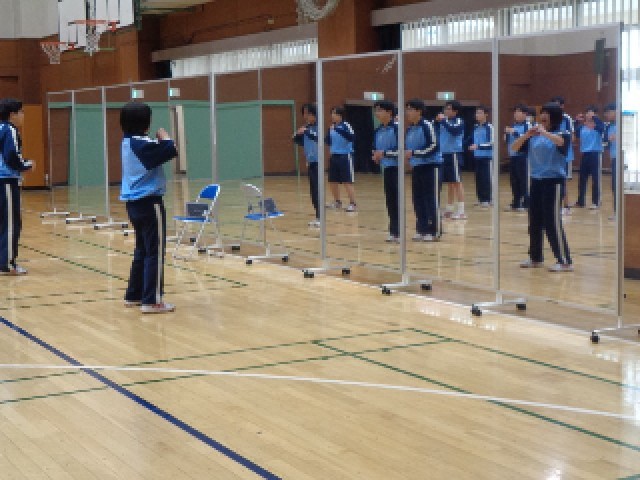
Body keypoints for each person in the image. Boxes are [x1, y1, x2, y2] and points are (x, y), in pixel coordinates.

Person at [120, 102, 178, 313]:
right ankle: (152, 300)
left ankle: (134, 294)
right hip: (149, 203)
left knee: (142, 250)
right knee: (155, 251)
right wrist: (165, 137)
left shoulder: (127, 141)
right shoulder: (141, 144)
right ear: (146, 122)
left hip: (133, 204)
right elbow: (171, 150)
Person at [512, 102, 573, 272]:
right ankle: (535, 257)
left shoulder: (563, 133)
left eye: (547, 113)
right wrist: (527, 135)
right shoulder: (534, 135)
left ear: (554, 116)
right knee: (535, 221)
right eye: (542, 113)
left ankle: (564, 260)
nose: (543, 116)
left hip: (554, 182)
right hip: (536, 181)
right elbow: (514, 147)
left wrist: (544, 133)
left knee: (552, 221)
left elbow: (561, 143)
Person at [0, 98, 33, 275]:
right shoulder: (10, 130)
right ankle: (7, 264)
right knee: (11, 222)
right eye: (21, 112)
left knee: (3, 222)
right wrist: (25, 165)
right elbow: (11, 155)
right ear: (12, 114)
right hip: (6, 181)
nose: (23, 115)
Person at [405, 99, 440, 242]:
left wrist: (415, 153)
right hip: (417, 167)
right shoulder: (410, 129)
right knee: (417, 199)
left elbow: (434, 146)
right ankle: (422, 228)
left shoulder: (427, 125)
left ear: (419, 111)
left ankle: (434, 231)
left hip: (431, 166)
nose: (408, 112)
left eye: (410, 109)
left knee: (430, 198)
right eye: (407, 109)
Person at [372, 101, 400, 242]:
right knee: (390, 201)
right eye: (376, 110)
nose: (377, 113)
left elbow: (401, 150)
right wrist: (375, 155)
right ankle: (393, 231)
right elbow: (375, 147)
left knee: (397, 200)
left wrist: (384, 153)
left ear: (389, 112)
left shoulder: (396, 128)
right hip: (386, 168)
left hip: (397, 169)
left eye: (380, 110)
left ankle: (398, 231)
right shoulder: (378, 130)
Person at [436, 100, 466, 219]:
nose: (446, 111)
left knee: (457, 182)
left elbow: (455, 131)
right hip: (443, 154)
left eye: (449, 109)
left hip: (454, 154)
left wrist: (443, 121)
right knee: (450, 182)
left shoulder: (458, 121)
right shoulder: (442, 122)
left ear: (455, 111)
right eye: (445, 108)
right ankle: (449, 208)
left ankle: (461, 210)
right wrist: (438, 121)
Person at [324, 106, 356, 212]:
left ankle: (353, 203)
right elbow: (328, 141)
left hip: (345, 156)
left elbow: (351, 137)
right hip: (334, 156)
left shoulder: (346, 125)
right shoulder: (331, 127)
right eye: (332, 113)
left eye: (335, 113)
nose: (332, 116)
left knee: (347, 181)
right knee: (332, 180)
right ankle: (337, 202)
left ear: (340, 115)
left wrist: (337, 129)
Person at [293, 103, 320, 227]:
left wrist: (306, 131)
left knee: (317, 191)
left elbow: (318, 138)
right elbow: (298, 140)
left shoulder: (318, 127)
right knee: (313, 192)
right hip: (310, 163)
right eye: (304, 114)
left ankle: (320, 217)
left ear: (314, 114)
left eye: (308, 113)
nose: (305, 116)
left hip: (318, 162)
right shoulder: (307, 127)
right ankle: (318, 216)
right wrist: (297, 134)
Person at [574, 105, 605, 209]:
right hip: (585, 154)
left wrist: (594, 118)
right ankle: (581, 201)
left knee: (596, 179)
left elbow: (601, 128)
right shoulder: (582, 127)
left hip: (595, 154)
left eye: (591, 112)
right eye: (587, 112)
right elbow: (576, 132)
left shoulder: (598, 126)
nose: (589, 114)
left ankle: (596, 202)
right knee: (582, 179)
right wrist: (577, 121)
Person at [504, 104, 531, 212]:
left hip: (523, 156)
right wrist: (506, 135)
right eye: (515, 112)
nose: (516, 114)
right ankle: (516, 202)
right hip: (513, 156)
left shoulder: (528, 125)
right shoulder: (513, 125)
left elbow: (527, 138)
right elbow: (509, 140)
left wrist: (514, 132)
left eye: (518, 111)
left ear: (525, 114)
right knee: (514, 180)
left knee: (523, 180)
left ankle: (526, 203)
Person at [551, 96, 575, 215]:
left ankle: (566, 206)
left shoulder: (567, 118)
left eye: (557, 105)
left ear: (562, 106)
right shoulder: (550, 119)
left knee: (563, 180)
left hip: (565, 155)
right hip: (553, 155)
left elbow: (572, 136)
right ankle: (556, 204)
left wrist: (560, 141)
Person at [468, 105, 493, 208]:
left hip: (487, 157)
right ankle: (481, 199)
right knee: (479, 179)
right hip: (477, 157)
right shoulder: (475, 127)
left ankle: (488, 199)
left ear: (486, 114)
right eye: (476, 113)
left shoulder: (489, 127)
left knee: (487, 178)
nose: (477, 115)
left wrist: (478, 146)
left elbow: (492, 143)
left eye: (480, 113)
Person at [603, 103, 617, 218]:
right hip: (614, 159)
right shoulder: (609, 126)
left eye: (608, 112)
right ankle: (616, 212)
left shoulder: (623, 124)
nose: (606, 115)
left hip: (623, 160)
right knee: (614, 186)